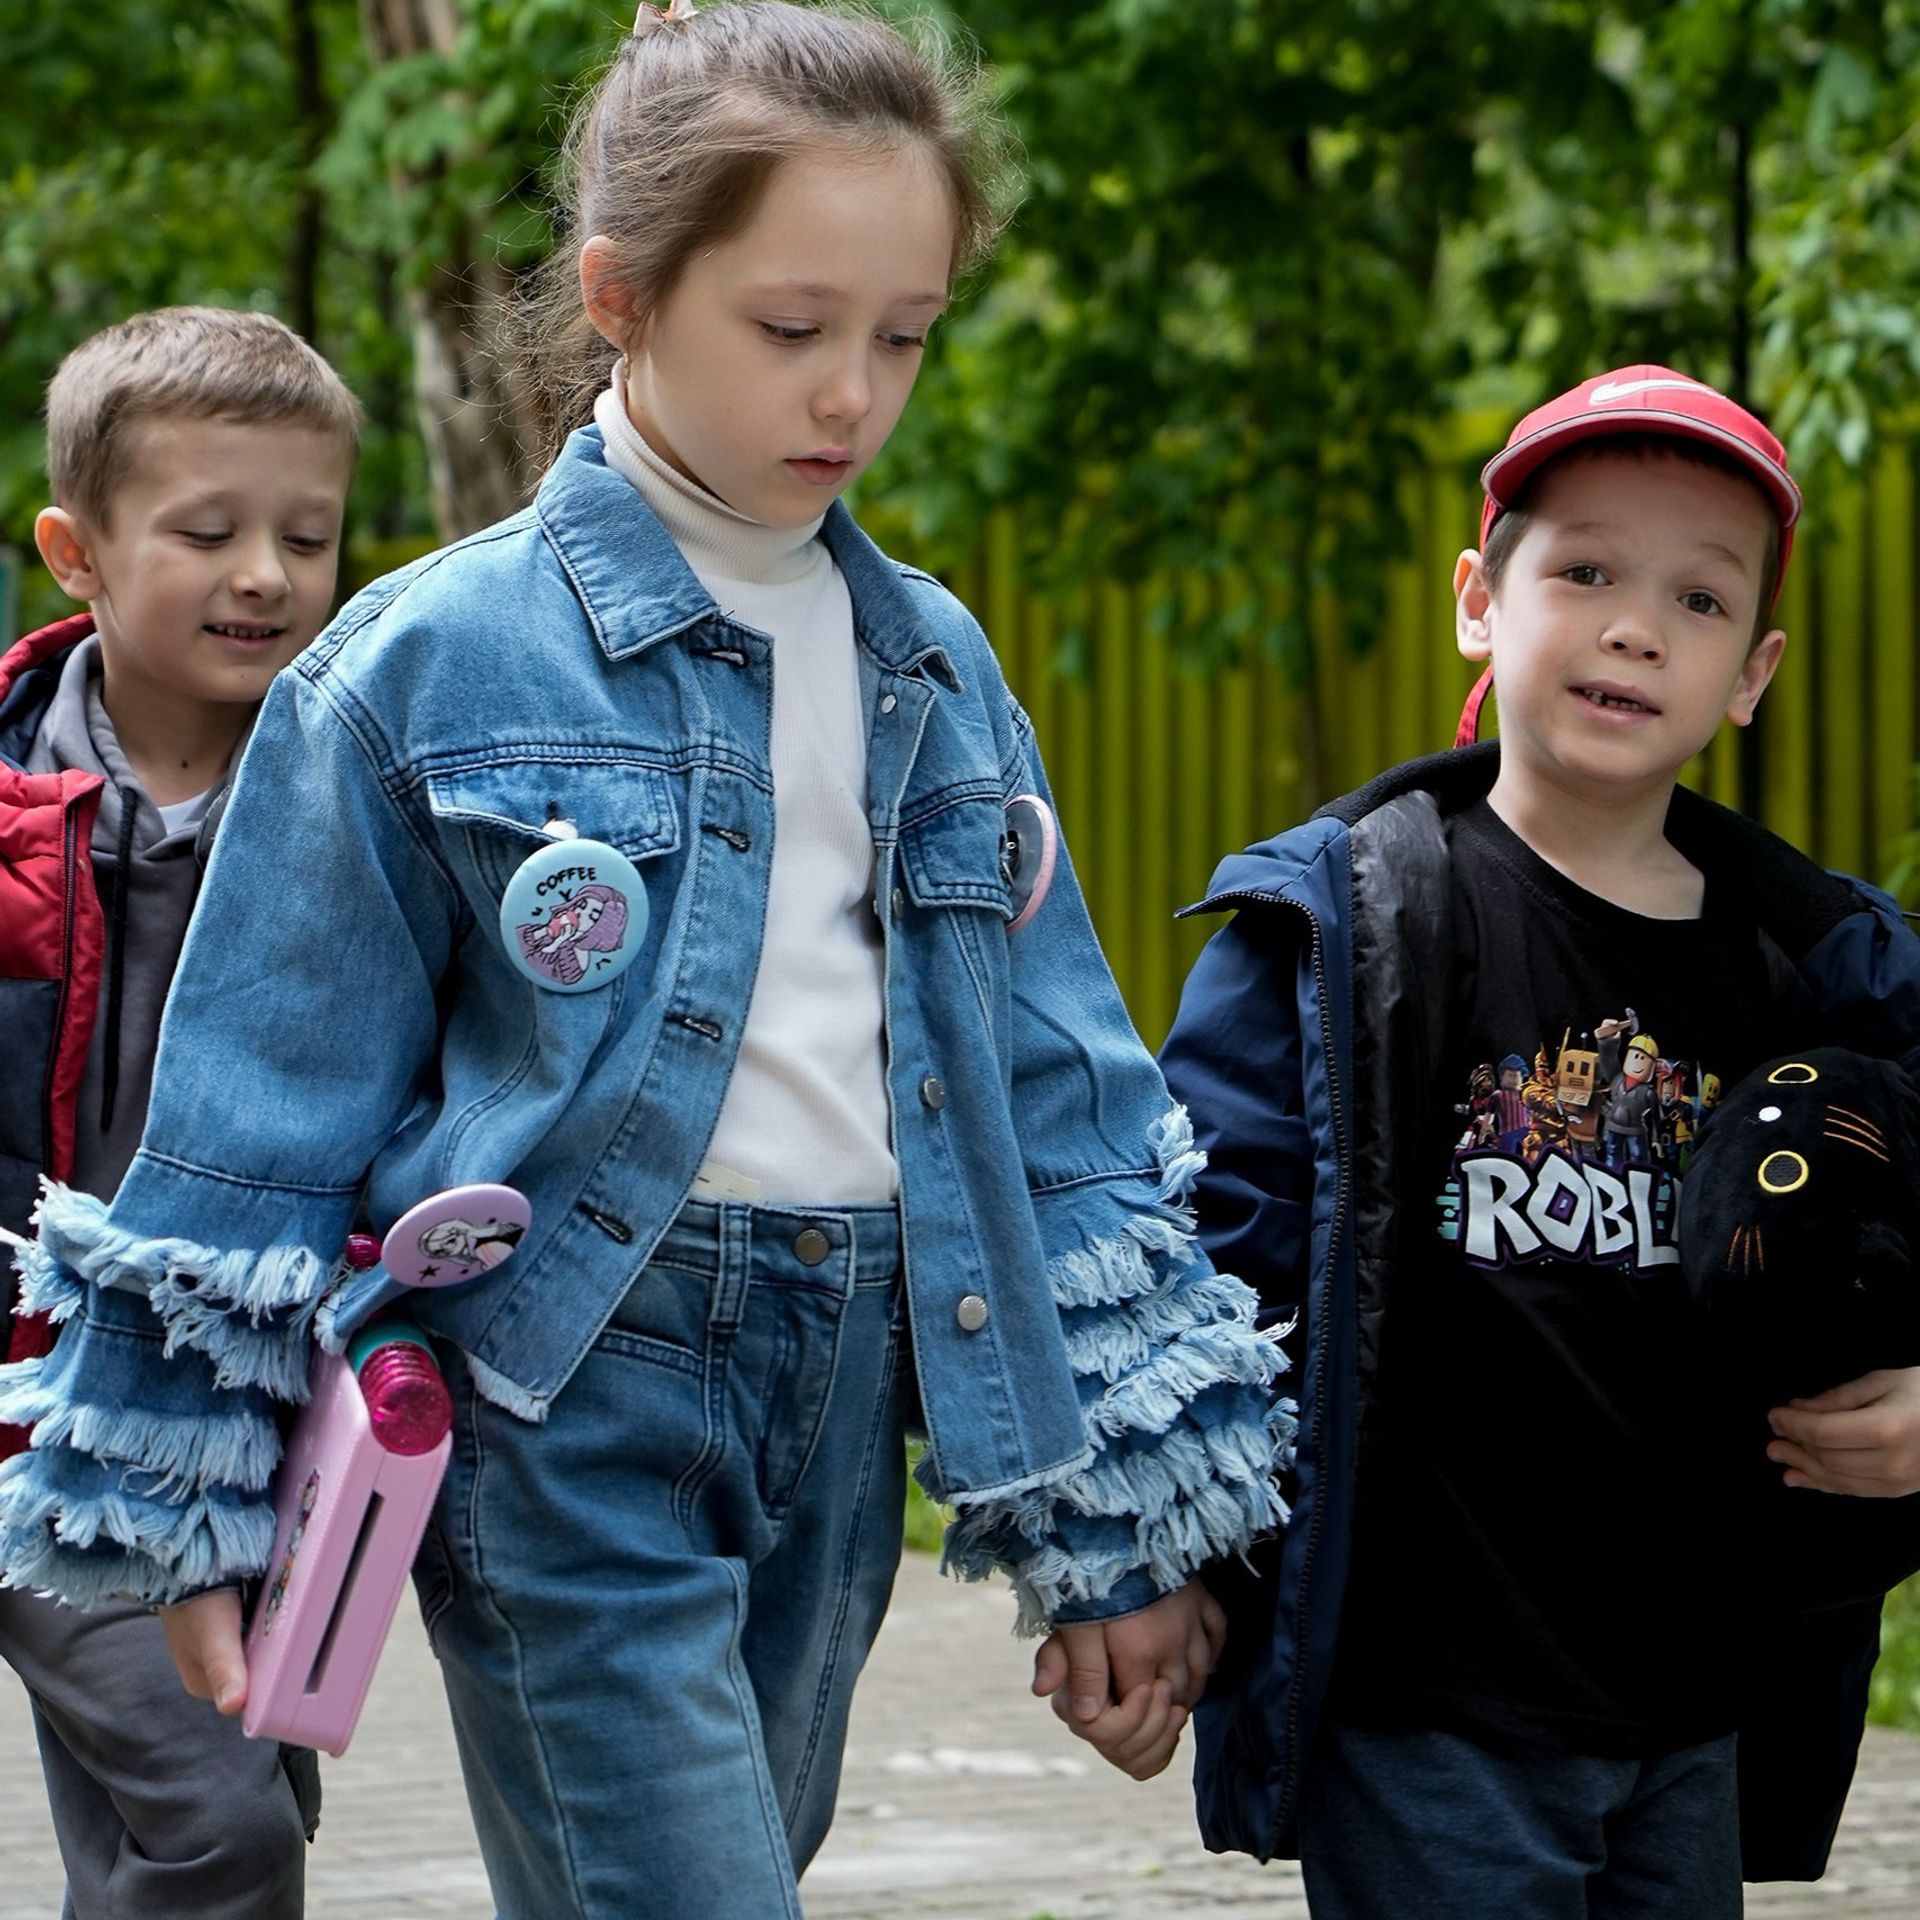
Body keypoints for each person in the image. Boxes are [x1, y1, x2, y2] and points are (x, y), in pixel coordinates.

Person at [0, 9, 1288, 1919]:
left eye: (905, 332)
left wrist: (1122, 1522)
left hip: (852, 1399)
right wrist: (194, 1500)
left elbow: (1064, 1103)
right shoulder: (417, 666)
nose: (852, 391)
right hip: (559, 1397)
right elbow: (256, 1118)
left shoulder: (939, 669)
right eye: (791, 327)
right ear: (621, 294)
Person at [1155, 367, 1920, 1916]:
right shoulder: (1343, 932)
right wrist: (1161, 1562)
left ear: (1755, 671)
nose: (1637, 625)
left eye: (1698, 600)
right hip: (1431, 1699)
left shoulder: (1821, 978)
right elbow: (1201, 1276)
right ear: (1478, 605)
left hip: (1693, 1701)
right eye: (1584, 571)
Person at [0, 305, 359, 1917]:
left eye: (306, 534)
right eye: (206, 531)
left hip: (235, 1409)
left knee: (203, 1809)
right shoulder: (13, 808)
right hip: (41, 1415)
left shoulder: (355, 795)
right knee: (224, 1827)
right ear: (75, 552)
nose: (265, 575)